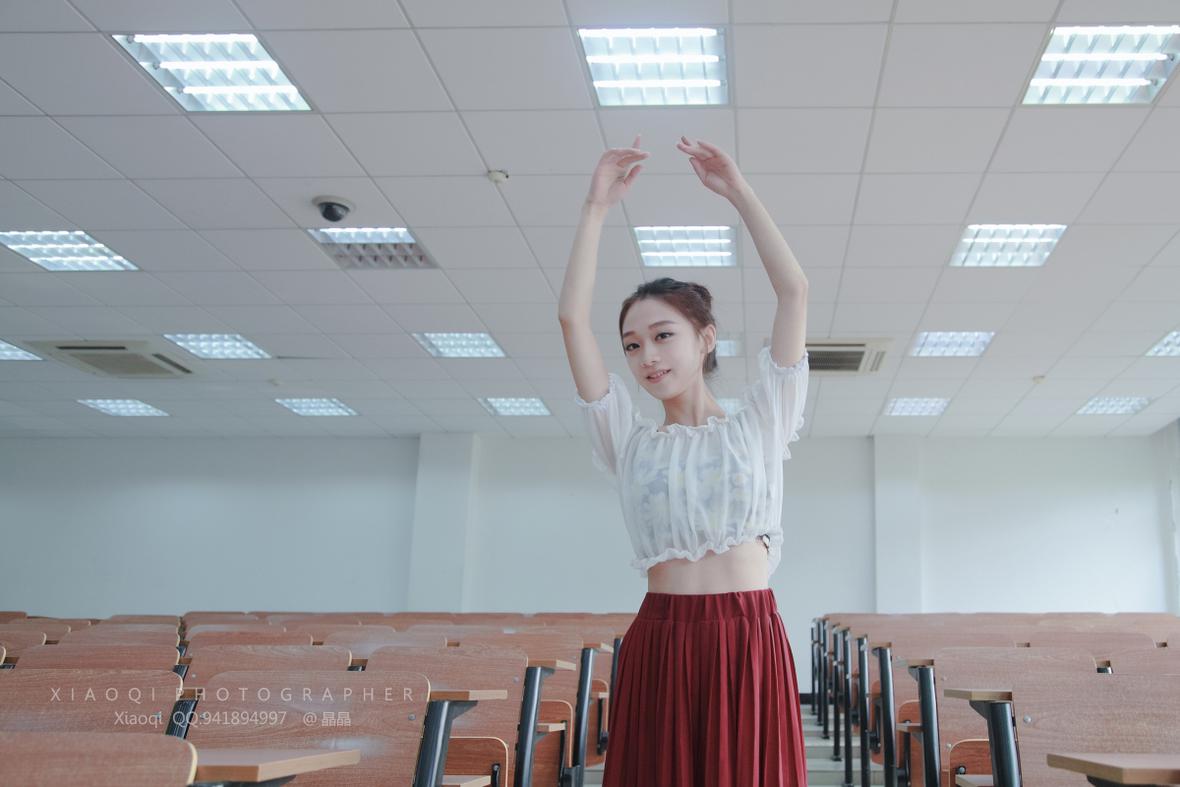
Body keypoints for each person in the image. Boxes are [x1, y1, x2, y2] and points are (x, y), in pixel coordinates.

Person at [556, 134, 811, 786]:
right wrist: (594, 209)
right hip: (661, 639)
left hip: (747, 637)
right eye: (632, 345)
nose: (647, 356)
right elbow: (571, 319)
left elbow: (794, 291)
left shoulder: (760, 422)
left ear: (705, 338)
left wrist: (739, 192)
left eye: (663, 335)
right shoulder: (629, 440)